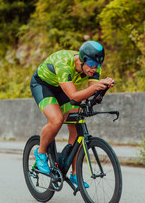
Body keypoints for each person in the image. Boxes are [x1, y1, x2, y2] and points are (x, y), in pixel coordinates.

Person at [30, 40, 115, 188]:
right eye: (90, 63)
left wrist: (102, 88)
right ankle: (41, 152)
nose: (94, 68)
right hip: (43, 85)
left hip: (63, 88)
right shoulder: (64, 63)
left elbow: (91, 92)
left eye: (98, 65)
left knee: (77, 126)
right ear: (82, 59)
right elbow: (74, 96)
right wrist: (96, 87)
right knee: (56, 120)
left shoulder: (94, 69)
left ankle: (75, 174)